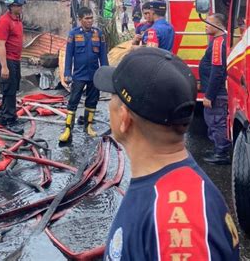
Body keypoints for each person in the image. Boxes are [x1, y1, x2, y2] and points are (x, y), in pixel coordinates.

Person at [93, 47, 239, 261]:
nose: (108, 107)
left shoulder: (178, 223)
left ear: (124, 119)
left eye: (112, 98)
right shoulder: (167, 189)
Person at [59, 6, 109, 143]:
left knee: (92, 101)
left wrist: (104, 74)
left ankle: (88, 127)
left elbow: (103, 56)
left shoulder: (98, 34)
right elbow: (69, 56)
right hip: (79, 75)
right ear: (80, 20)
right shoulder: (73, 34)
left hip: (94, 75)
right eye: (86, 18)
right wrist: (67, 74)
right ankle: (68, 129)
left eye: (91, 18)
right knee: (73, 101)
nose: (90, 21)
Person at [199, 13, 231, 165]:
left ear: (218, 25)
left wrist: (209, 96)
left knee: (217, 121)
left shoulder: (218, 43)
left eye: (208, 22)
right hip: (217, 92)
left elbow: (217, 72)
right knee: (215, 120)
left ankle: (221, 153)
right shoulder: (221, 40)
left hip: (217, 94)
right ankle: (218, 149)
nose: (205, 25)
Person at [0, 0, 26, 134]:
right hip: (7, 61)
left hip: (15, 59)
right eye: (18, 5)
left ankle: (5, 116)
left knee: (12, 89)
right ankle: (9, 120)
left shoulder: (17, 19)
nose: (21, 7)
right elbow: (1, 44)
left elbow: (6, 41)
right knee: (9, 91)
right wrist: (4, 67)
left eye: (21, 5)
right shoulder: (4, 21)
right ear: (11, 5)